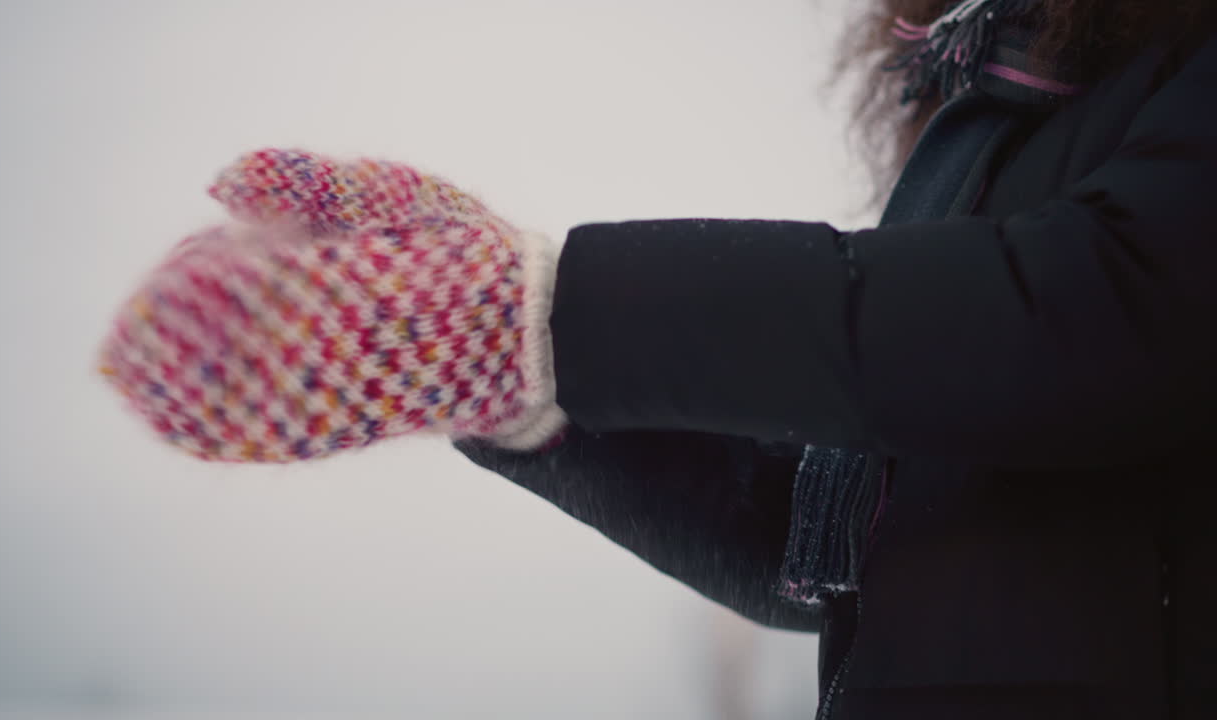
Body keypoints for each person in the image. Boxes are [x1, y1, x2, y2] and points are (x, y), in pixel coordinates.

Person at [98, 1, 1217, 718]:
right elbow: (832, 538)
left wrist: (545, 313)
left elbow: (1106, 312)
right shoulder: (989, 105)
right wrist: (519, 386)